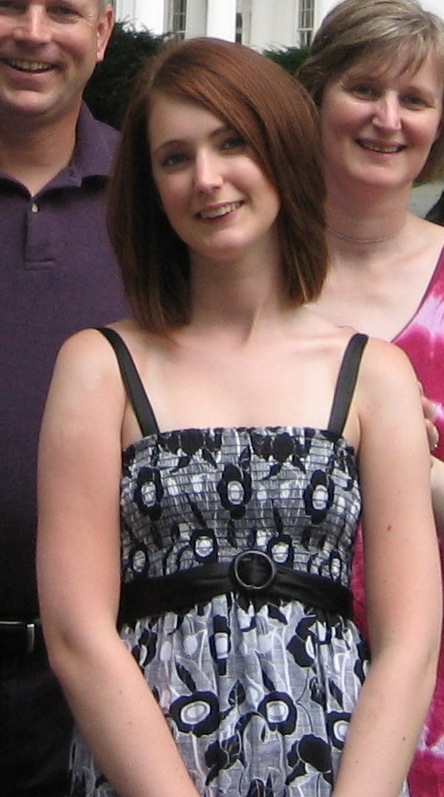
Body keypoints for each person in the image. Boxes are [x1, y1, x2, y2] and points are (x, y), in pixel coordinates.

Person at [37, 37, 441, 797]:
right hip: (147, 770)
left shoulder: (375, 376)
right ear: (150, 186)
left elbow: (409, 640)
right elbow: (78, 634)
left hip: (336, 759)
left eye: (233, 143)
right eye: (175, 157)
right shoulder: (100, 368)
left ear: (282, 152)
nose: (208, 178)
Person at [297, 1, 444, 794]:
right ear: (316, 96)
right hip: (272, 686)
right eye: (364, 89)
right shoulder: (239, 277)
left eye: (416, 100)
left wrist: (404, 468)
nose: (388, 120)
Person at [0, 1, 128, 795]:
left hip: (98, 693)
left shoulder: (162, 196)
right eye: (10, 4)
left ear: (105, 32)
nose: (34, 31)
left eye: (65, 10)